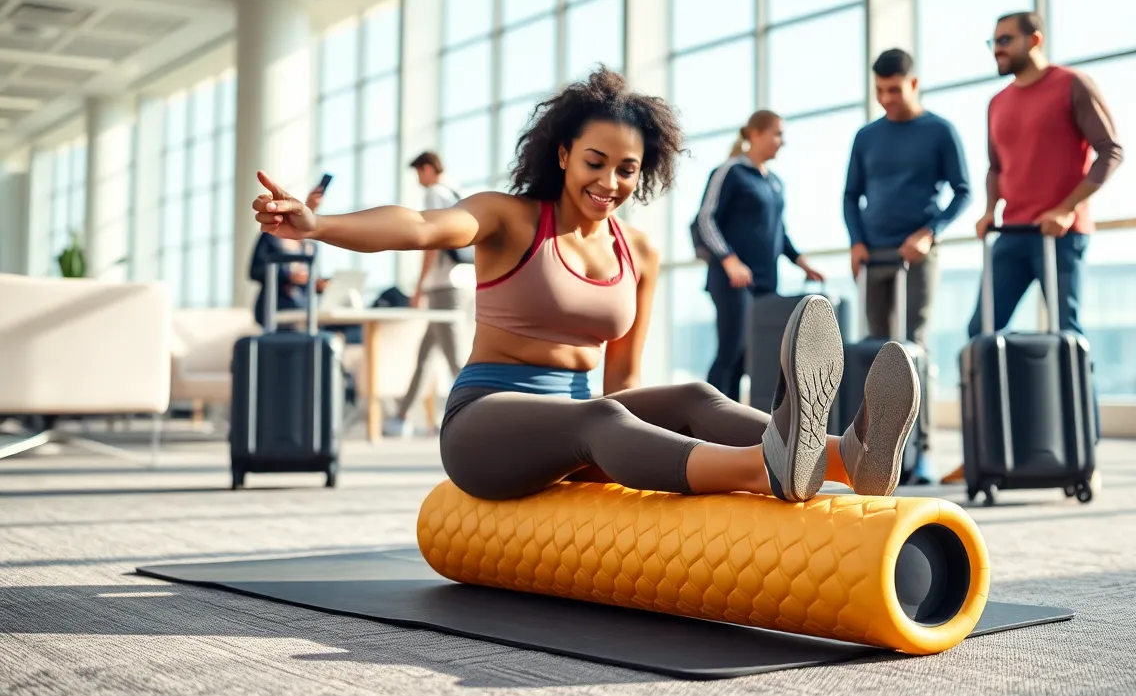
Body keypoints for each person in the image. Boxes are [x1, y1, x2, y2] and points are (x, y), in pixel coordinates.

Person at [248, 67, 923, 503]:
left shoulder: (639, 251)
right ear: (564, 153)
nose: (610, 182)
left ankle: (848, 456)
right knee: (599, 419)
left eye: (627, 170)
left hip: (582, 430)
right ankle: (766, 468)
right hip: (486, 428)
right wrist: (318, 225)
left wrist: (644, 448)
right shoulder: (509, 218)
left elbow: (621, 381)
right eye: (595, 162)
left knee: (690, 395)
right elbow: (420, 226)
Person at [945, 11, 1122, 484]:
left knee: (1067, 336)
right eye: (993, 41)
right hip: (1014, 233)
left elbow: (1110, 151)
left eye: (1005, 39)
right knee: (980, 332)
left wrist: (1065, 209)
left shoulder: (1071, 85)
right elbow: (995, 167)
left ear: (1035, 39)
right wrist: (990, 209)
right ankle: (985, 449)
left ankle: (1084, 452)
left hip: (1060, 235)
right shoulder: (997, 102)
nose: (997, 49)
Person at [843, 48, 971, 485]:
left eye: (894, 90)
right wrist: (856, 240)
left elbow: (963, 191)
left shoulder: (939, 131)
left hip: (916, 255)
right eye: (879, 90)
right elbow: (851, 195)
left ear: (913, 84)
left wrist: (930, 232)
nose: (886, 99)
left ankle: (922, 451)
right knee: (876, 351)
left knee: (913, 346)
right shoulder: (866, 136)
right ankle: (876, 450)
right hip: (873, 255)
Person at [692, 110, 825, 403]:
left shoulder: (775, 182)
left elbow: (778, 231)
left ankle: (740, 420)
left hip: (767, 283)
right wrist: (729, 259)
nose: (782, 142)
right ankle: (706, 418)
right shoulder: (730, 171)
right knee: (732, 351)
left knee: (755, 357)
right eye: (777, 134)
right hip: (733, 281)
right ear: (755, 134)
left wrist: (801, 261)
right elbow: (705, 219)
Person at [383, 150, 474, 438]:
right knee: (426, 354)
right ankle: (402, 415)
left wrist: (419, 285)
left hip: (444, 285)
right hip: (462, 281)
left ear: (427, 169)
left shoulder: (435, 193)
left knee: (455, 357)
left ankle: (479, 412)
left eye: (418, 173)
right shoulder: (458, 192)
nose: (418, 181)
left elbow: (430, 241)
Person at [248, 179, 329, 329]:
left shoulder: (310, 245)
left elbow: (309, 279)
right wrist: (288, 276)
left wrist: (317, 284)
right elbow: (255, 271)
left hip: (303, 308)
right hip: (274, 307)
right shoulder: (270, 236)